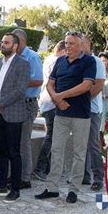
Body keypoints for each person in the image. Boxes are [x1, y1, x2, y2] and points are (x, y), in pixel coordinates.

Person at [35, 31, 96, 204]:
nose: (68, 47)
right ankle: (52, 188)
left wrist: (61, 96)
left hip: (81, 115)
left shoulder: (89, 61)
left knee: (78, 153)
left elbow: (86, 85)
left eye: (72, 44)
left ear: (81, 45)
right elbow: (50, 83)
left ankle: (73, 190)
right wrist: (57, 98)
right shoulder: (60, 61)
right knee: (56, 150)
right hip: (60, 113)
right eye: (66, 43)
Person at [0, 33, 30, 203]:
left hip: (12, 115)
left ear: (15, 46)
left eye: (6, 42)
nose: (3, 45)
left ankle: (15, 189)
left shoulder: (23, 64)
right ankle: (1, 185)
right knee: (1, 151)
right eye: (2, 42)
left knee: (14, 153)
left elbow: (20, 90)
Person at [11, 28, 43, 189]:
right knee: (14, 141)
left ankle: (25, 178)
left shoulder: (32, 57)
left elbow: (38, 81)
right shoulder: (13, 57)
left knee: (24, 141)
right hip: (14, 104)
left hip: (27, 103)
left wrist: (16, 81)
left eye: (14, 41)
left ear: (21, 41)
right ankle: (16, 175)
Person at [33, 40, 66, 181]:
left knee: (54, 136)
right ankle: (40, 168)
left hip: (47, 102)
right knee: (52, 136)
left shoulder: (49, 59)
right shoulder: (57, 61)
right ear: (63, 50)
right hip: (52, 103)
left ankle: (49, 168)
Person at [81, 36, 106, 192]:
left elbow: (99, 85)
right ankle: (83, 175)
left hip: (92, 110)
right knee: (79, 144)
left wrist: (83, 100)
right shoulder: (76, 60)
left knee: (93, 144)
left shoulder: (96, 61)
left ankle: (98, 177)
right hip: (79, 110)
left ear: (88, 44)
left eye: (81, 43)